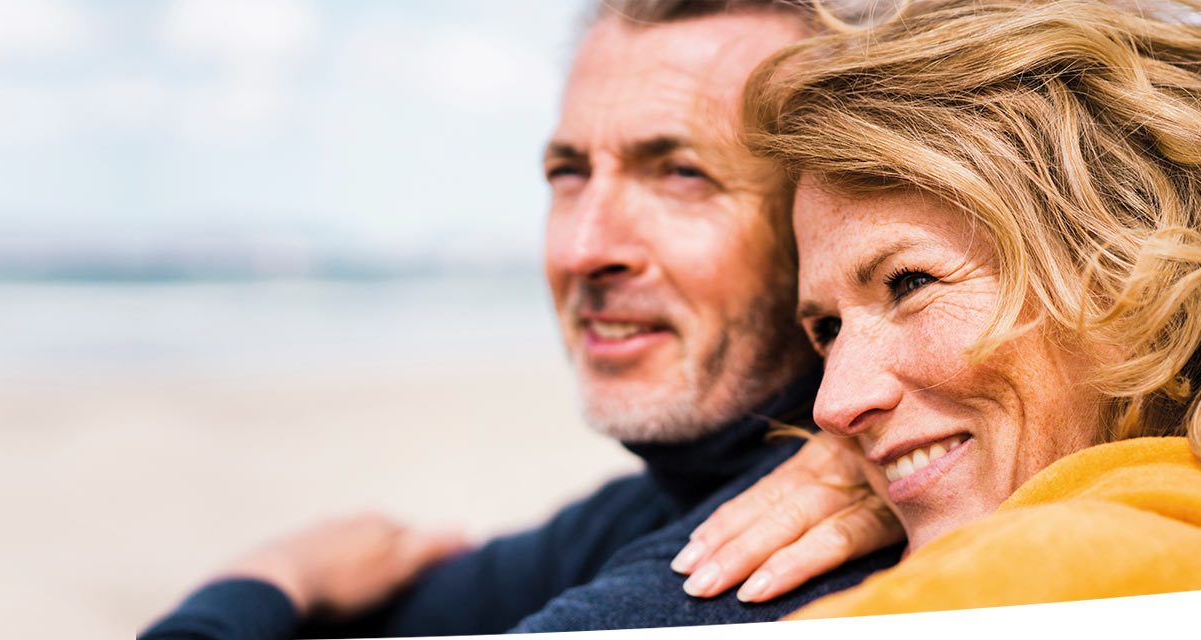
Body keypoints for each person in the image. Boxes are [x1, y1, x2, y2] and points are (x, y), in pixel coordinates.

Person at [140, 2, 903, 638]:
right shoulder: (648, 507)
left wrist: (271, 577)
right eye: (568, 173)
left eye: (681, 174)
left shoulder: (757, 566)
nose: (583, 248)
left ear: (829, 214)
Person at [725, 0, 1201, 616]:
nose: (832, 407)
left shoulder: (1035, 580)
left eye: (910, 283)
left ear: (1143, 264)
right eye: (827, 329)